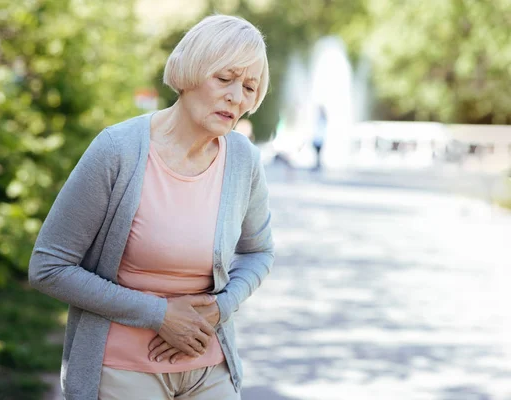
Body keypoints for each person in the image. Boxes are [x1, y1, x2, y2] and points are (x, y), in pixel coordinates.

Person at [29, 14, 274, 400]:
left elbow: (259, 251)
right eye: (224, 79)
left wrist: (221, 307)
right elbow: (48, 267)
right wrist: (159, 315)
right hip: (122, 369)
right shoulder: (117, 150)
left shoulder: (243, 159)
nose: (236, 97)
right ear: (191, 71)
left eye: (249, 86)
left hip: (211, 369)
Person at [311, 105, 327, 170]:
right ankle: (317, 164)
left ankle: (318, 164)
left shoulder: (322, 120)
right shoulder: (321, 119)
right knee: (317, 153)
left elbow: (320, 130)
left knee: (318, 153)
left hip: (319, 139)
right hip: (318, 138)